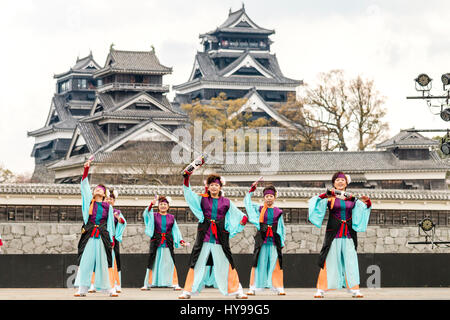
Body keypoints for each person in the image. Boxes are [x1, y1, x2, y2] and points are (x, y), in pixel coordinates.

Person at [178, 172, 248, 299]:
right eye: (211, 185)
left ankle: (237, 290)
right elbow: (189, 194)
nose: (214, 187)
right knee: (197, 262)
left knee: (226, 262)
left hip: (220, 236)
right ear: (208, 187)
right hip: (204, 234)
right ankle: (188, 291)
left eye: (216, 185)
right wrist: (187, 178)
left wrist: (243, 219)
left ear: (220, 187)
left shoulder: (226, 202)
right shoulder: (202, 199)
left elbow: (237, 214)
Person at [308, 172, 372, 298]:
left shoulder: (352, 198)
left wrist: (368, 202)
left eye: (342, 180)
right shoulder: (330, 197)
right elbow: (315, 202)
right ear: (334, 183)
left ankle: (354, 289)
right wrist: (325, 194)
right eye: (337, 180)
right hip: (334, 234)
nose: (340, 182)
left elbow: (364, 208)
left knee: (351, 261)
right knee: (329, 260)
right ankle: (321, 289)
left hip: (348, 234)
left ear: (346, 183)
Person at [74, 159, 117, 297]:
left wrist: (112, 238)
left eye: (101, 189)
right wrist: (86, 169)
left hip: (103, 235)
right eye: (96, 188)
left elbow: (110, 224)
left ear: (104, 194)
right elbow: (84, 186)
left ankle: (107, 288)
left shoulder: (108, 207)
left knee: (104, 261)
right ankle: (83, 288)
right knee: (85, 260)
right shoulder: (89, 202)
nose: (98, 189)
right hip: (89, 234)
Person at [244, 181, 286, 295]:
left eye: (271, 196)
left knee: (275, 263)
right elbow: (247, 204)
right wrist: (252, 190)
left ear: (275, 197)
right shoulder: (259, 209)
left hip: (274, 240)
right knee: (257, 262)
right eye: (266, 196)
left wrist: (282, 240)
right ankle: (253, 287)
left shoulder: (278, 211)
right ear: (264, 197)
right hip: (262, 239)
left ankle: (279, 287)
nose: (269, 198)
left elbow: (281, 227)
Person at [141, 195, 186, 290]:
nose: (163, 206)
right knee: (152, 262)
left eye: (165, 204)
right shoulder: (153, 215)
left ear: (168, 206)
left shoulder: (171, 217)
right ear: (158, 206)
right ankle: (148, 283)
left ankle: (174, 283)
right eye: (161, 204)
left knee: (170, 262)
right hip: (156, 241)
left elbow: (175, 230)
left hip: (167, 242)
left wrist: (180, 240)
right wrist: (151, 205)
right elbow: (146, 214)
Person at [89, 188, 127, 294]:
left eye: (112, 199)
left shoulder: (116, 212)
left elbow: (123, 222)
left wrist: (118, 219)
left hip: (112, 238)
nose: (109, 201)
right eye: (108, 198)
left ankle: (116, 283)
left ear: (114, 201)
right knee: (97, 260)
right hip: (99, 236)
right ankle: (94, 284)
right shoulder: (101, 209)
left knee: (114, 260)